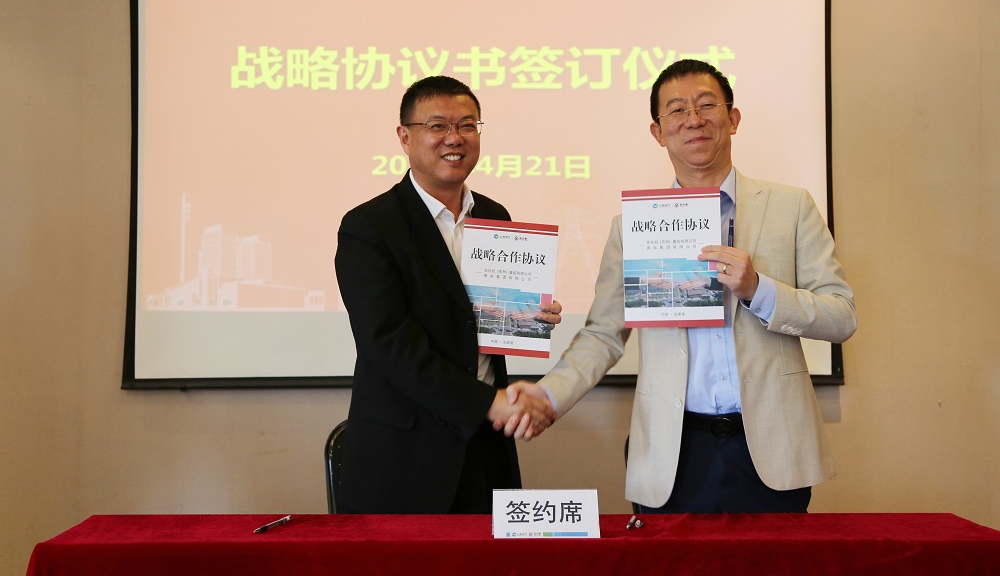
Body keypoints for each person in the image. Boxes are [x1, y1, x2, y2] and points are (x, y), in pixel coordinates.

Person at [510, 59, 856, 513]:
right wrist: (548, 393)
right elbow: (602, 335)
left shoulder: (791, 207)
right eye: (676, 110)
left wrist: (758, 289)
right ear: (658, 132)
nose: (693, 119)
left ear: (733, 118)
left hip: (773, 448)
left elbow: (840, 315)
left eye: (707, 104)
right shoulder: (633, 227)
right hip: (672, 452)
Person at [335, 75, 559, 514]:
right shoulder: (369, 226)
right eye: (437, 125)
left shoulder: (494, 216)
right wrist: (488, 403)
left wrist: (528, 316)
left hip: (487, 448)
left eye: (467, 125)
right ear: (405, 137)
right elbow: (390, 345)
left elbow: (476, 321)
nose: (454, 138)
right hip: (405, 457)